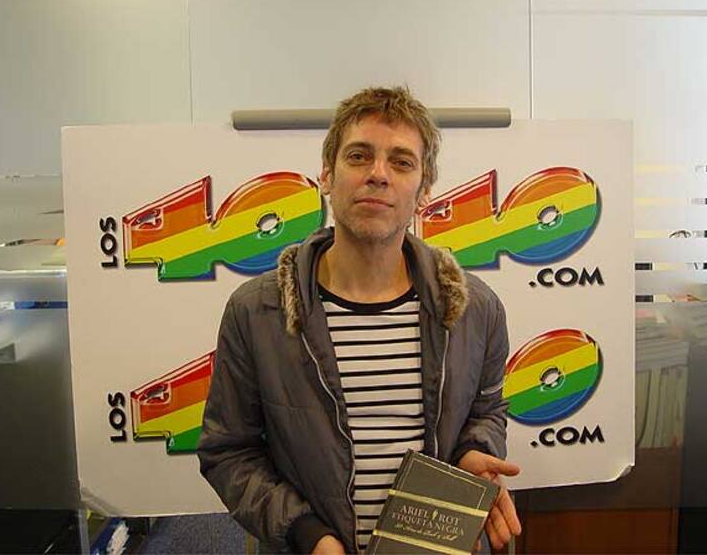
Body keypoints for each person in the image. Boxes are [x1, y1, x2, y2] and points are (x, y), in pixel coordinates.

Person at [198, 86, 521, 554]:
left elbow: (486, 412)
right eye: (358, 156)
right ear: (327, 176)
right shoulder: (257, 312)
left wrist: (475, 453)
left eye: (402, 162)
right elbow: (229, 451)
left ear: (424, 191)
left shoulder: (476, 310)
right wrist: (309, 536)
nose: (378, 175)